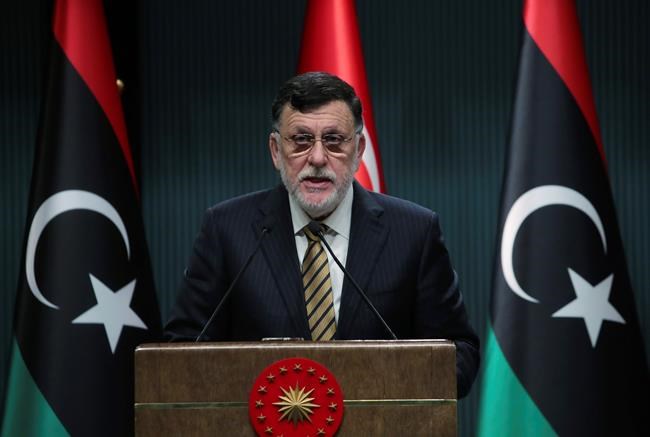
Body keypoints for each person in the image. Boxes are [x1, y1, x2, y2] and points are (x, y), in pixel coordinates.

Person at [164, 71, 480, 398]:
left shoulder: (414, 232)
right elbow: (181, 354)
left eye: (333, 140)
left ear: (358, 149)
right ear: (276, 150)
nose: (317, 158)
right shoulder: (227, 230)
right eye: (301, 140)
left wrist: (383, 386)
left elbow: (460, 355)